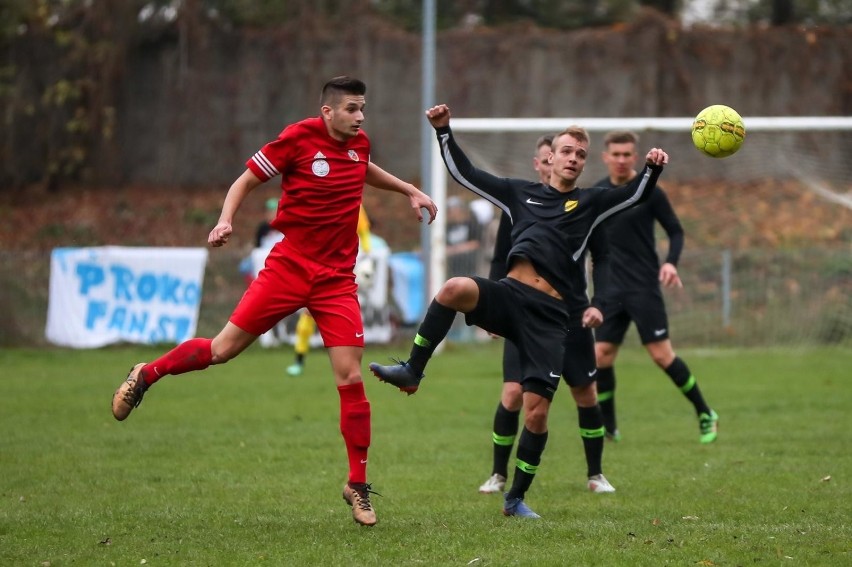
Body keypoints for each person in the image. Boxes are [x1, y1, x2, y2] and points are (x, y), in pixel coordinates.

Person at [110, 76, 438, 527]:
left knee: (350, 377)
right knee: (221, 350)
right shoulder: (296, 138)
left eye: (363, 108)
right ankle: (145, 374)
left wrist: (409, 190)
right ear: (328, 112)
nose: (360, 117)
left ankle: (357, 484)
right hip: (288, 268)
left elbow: (365, 167)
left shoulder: (359, 144)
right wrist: (225, 221)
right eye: (352, 109)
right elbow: (245, 180)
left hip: (336, 281)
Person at [370, 104, 668, 518]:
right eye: (567, 151)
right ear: (551, 157)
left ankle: (515, 498)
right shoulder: (518, 193)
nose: (573, 159)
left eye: (581, 155)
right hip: (511, 295)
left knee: (537, 412)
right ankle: (413, 370)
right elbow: (465, 174)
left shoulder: (592, 203)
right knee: (455, 287)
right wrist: (443, 131)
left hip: (552, 317)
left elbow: (635, 194)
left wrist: (652, 169)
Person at [478, 134, 615, 496]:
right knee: (511, 395)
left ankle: (596, 473)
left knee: (585, 392)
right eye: (549, 157)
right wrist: (493, 307)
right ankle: (498, 474)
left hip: (571, 316)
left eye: (576, 154)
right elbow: (499, 257)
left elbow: (602, 257)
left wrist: (597, 301)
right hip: (524, 313)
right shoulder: (518, 205)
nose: (559, 161)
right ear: (543, 162)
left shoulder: (585, 207)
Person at [592, 130, 718, 444]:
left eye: (626, 155)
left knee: (662, 356)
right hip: (610, 290)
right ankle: (610, 427)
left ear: (635, 157)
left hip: (643, 287)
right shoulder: (596, 193)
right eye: (615, 154)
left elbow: (675, 231)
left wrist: (670, 262)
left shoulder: (649, 191)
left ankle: (705, 412)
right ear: (605, 157)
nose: (621, 160)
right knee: (601, 356)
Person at [286, 205, 374, 377]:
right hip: (318, 266)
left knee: (345, 315)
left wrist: (367, 256)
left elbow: (363, 232)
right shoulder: (317, 199)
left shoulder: (354, 203)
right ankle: (299, 360)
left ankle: (348, 364)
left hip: (343, 269)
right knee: (308, 314)